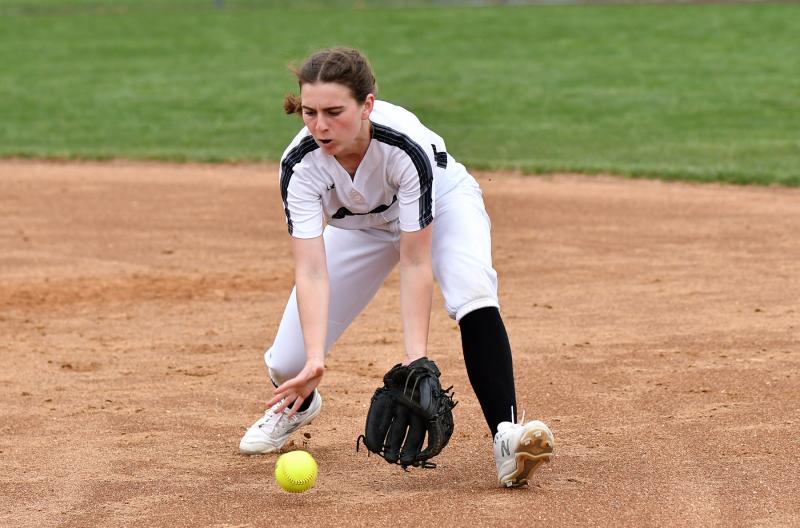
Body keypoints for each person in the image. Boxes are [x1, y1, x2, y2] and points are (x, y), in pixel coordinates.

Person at [239, 47, 554, 487]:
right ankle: (300, 405)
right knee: (288, 360)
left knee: (471, 290)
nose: (319, 126)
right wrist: (313, 360)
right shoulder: (300, 164)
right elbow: (311, 271)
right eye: (308, 112)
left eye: (334, 112)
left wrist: (415, 359)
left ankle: (507, 436)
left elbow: (415, 259)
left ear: (367, 105)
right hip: (359, 230)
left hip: (440, 206)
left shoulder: (403, 146)